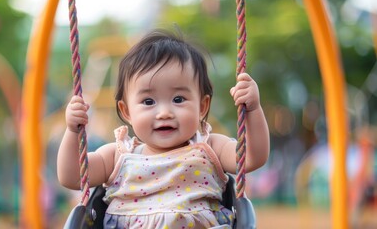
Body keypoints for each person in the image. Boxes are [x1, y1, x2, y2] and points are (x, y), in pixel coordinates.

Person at [57, 29, 270, 228]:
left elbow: (252, 157)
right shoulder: (118, 155)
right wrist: (73, 131)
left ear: (202, 106)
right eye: (148, 102)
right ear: (127, 111)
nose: (164, 112)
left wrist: (253, 110)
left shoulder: (209, 146)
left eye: (178, 99)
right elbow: (73, 176)